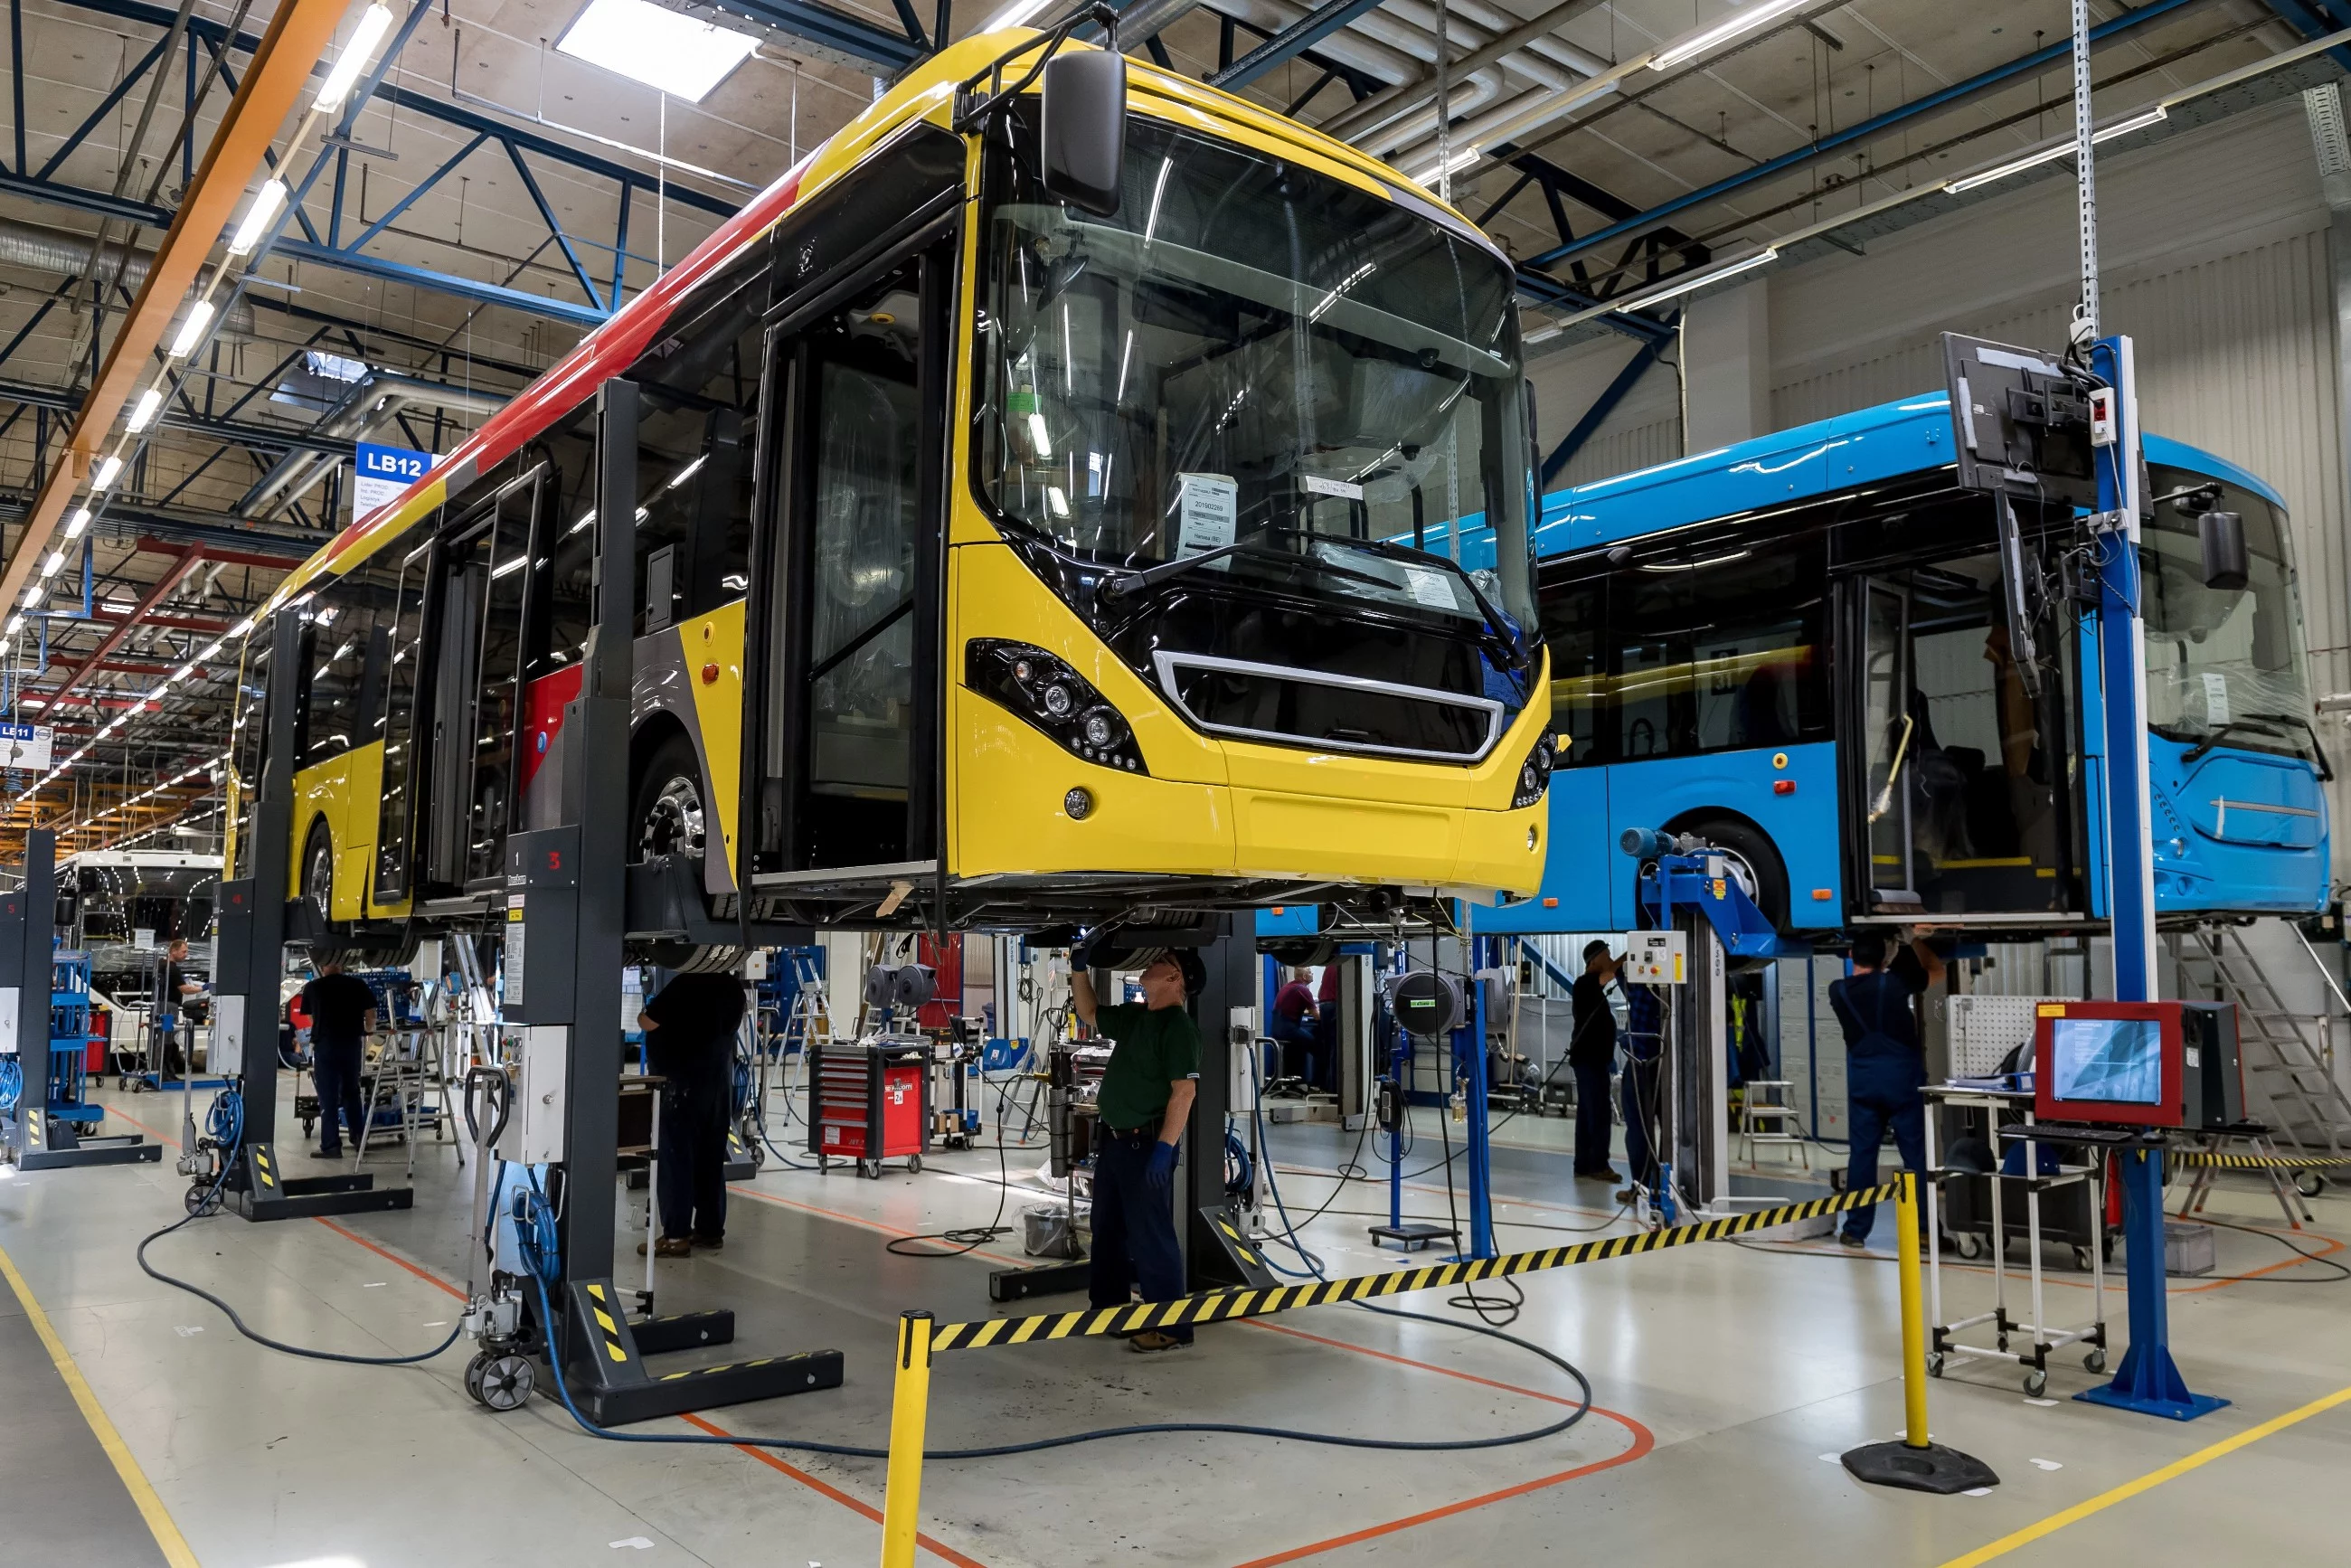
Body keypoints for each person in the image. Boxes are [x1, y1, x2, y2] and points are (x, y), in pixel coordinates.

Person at [1072, 949, 1202, 1353]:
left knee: (1151, 1235)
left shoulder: (1177, 1028)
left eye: (1163, 959)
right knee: (1107, 1229)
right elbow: (1089, 1011)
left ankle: (1173, 1328)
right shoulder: (1136, 1017)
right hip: (1114, 1143)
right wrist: (1078, 968)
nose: (1152, 961)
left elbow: (1185, 1092)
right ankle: (1109, 1308)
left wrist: (1165, 1148)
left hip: (1145, 1145)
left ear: (1175, 978)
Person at [1829, 927, 1947, 1248]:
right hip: (1902, 1082)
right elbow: (1936, 971)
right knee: (1914, 1156)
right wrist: (1915, 942)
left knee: (1862, 1156)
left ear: (1851, 955)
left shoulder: (1837, 990)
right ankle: (1924, 1231)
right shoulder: (1895, 984)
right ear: (1885, 958)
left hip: (1863, 1083)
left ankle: (1854, 1230)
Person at [638, 969, 746, 1257]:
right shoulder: (732, 987)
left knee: (676, 1158)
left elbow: (647, 1021)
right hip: (716, 1085)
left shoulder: (684, 984)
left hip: (679, 1086)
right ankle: (710, 1231)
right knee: (710, 1159)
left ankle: (676, 1236)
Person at [298, 956, 378, 1159]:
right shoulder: (357, 985)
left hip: (326, 1045)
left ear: (323, 965)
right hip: (351, 1044)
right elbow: (371, 1013)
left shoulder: (313, 988)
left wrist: (322, 1024)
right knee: (352, 1091)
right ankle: (359, 1138)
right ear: (341, 965)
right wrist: (368, 1030)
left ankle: (331, 1145)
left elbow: (310, 1016)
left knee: (328, 1096)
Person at [1567, 940, 1620, 1181]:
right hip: (1589, 1061)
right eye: (1606, 955)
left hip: (1594, 1061)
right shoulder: (1585, 983)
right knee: (1599, 1113)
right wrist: (1632, 955)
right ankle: (1598, 1165)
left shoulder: (1592, 989)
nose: (1610, 958)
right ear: (1594, 959)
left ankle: (1584, 1164)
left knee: (1588, 1113)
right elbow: (1610, 973)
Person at [1619, 977, 1665, 1203]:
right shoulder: (1671, 988)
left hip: (1640, 1063)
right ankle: (1665, 1185)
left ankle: (1642, 1186)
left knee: (1638, 1129)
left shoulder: (1641, 986)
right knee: (1672, 1129)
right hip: (1668, 1065)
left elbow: (1618, 972)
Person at [1268, 967, 1318, 1084]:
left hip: (1278, 1030)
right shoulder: (1303, 990)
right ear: (1305, 977)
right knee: (1317, 1045)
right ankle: (1318, 1082)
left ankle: (1292, 1082)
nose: (1312, 974)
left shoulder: (1287, 987)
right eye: (1310, 972)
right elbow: (1317, 1016)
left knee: (1296, 1047)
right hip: (1289, 1030)